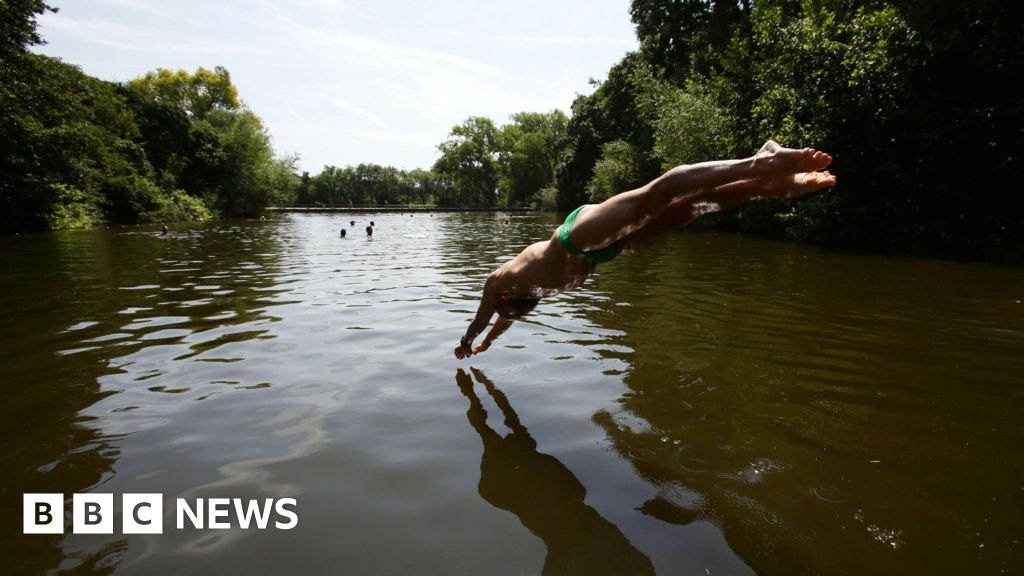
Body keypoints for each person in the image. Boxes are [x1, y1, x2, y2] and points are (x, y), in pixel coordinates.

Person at [455, 141, 836, 359]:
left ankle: (760, 162)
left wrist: (467, 341)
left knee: (655, 198)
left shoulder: (497, 283)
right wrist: (488, 344)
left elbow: (482, 317)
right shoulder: (519, 300)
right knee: (683, 213)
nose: (507, 315)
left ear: (503, 298)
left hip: (575, 237)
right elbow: (501, 323)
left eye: (505, 311)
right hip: (602, 252)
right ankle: (765, 186)